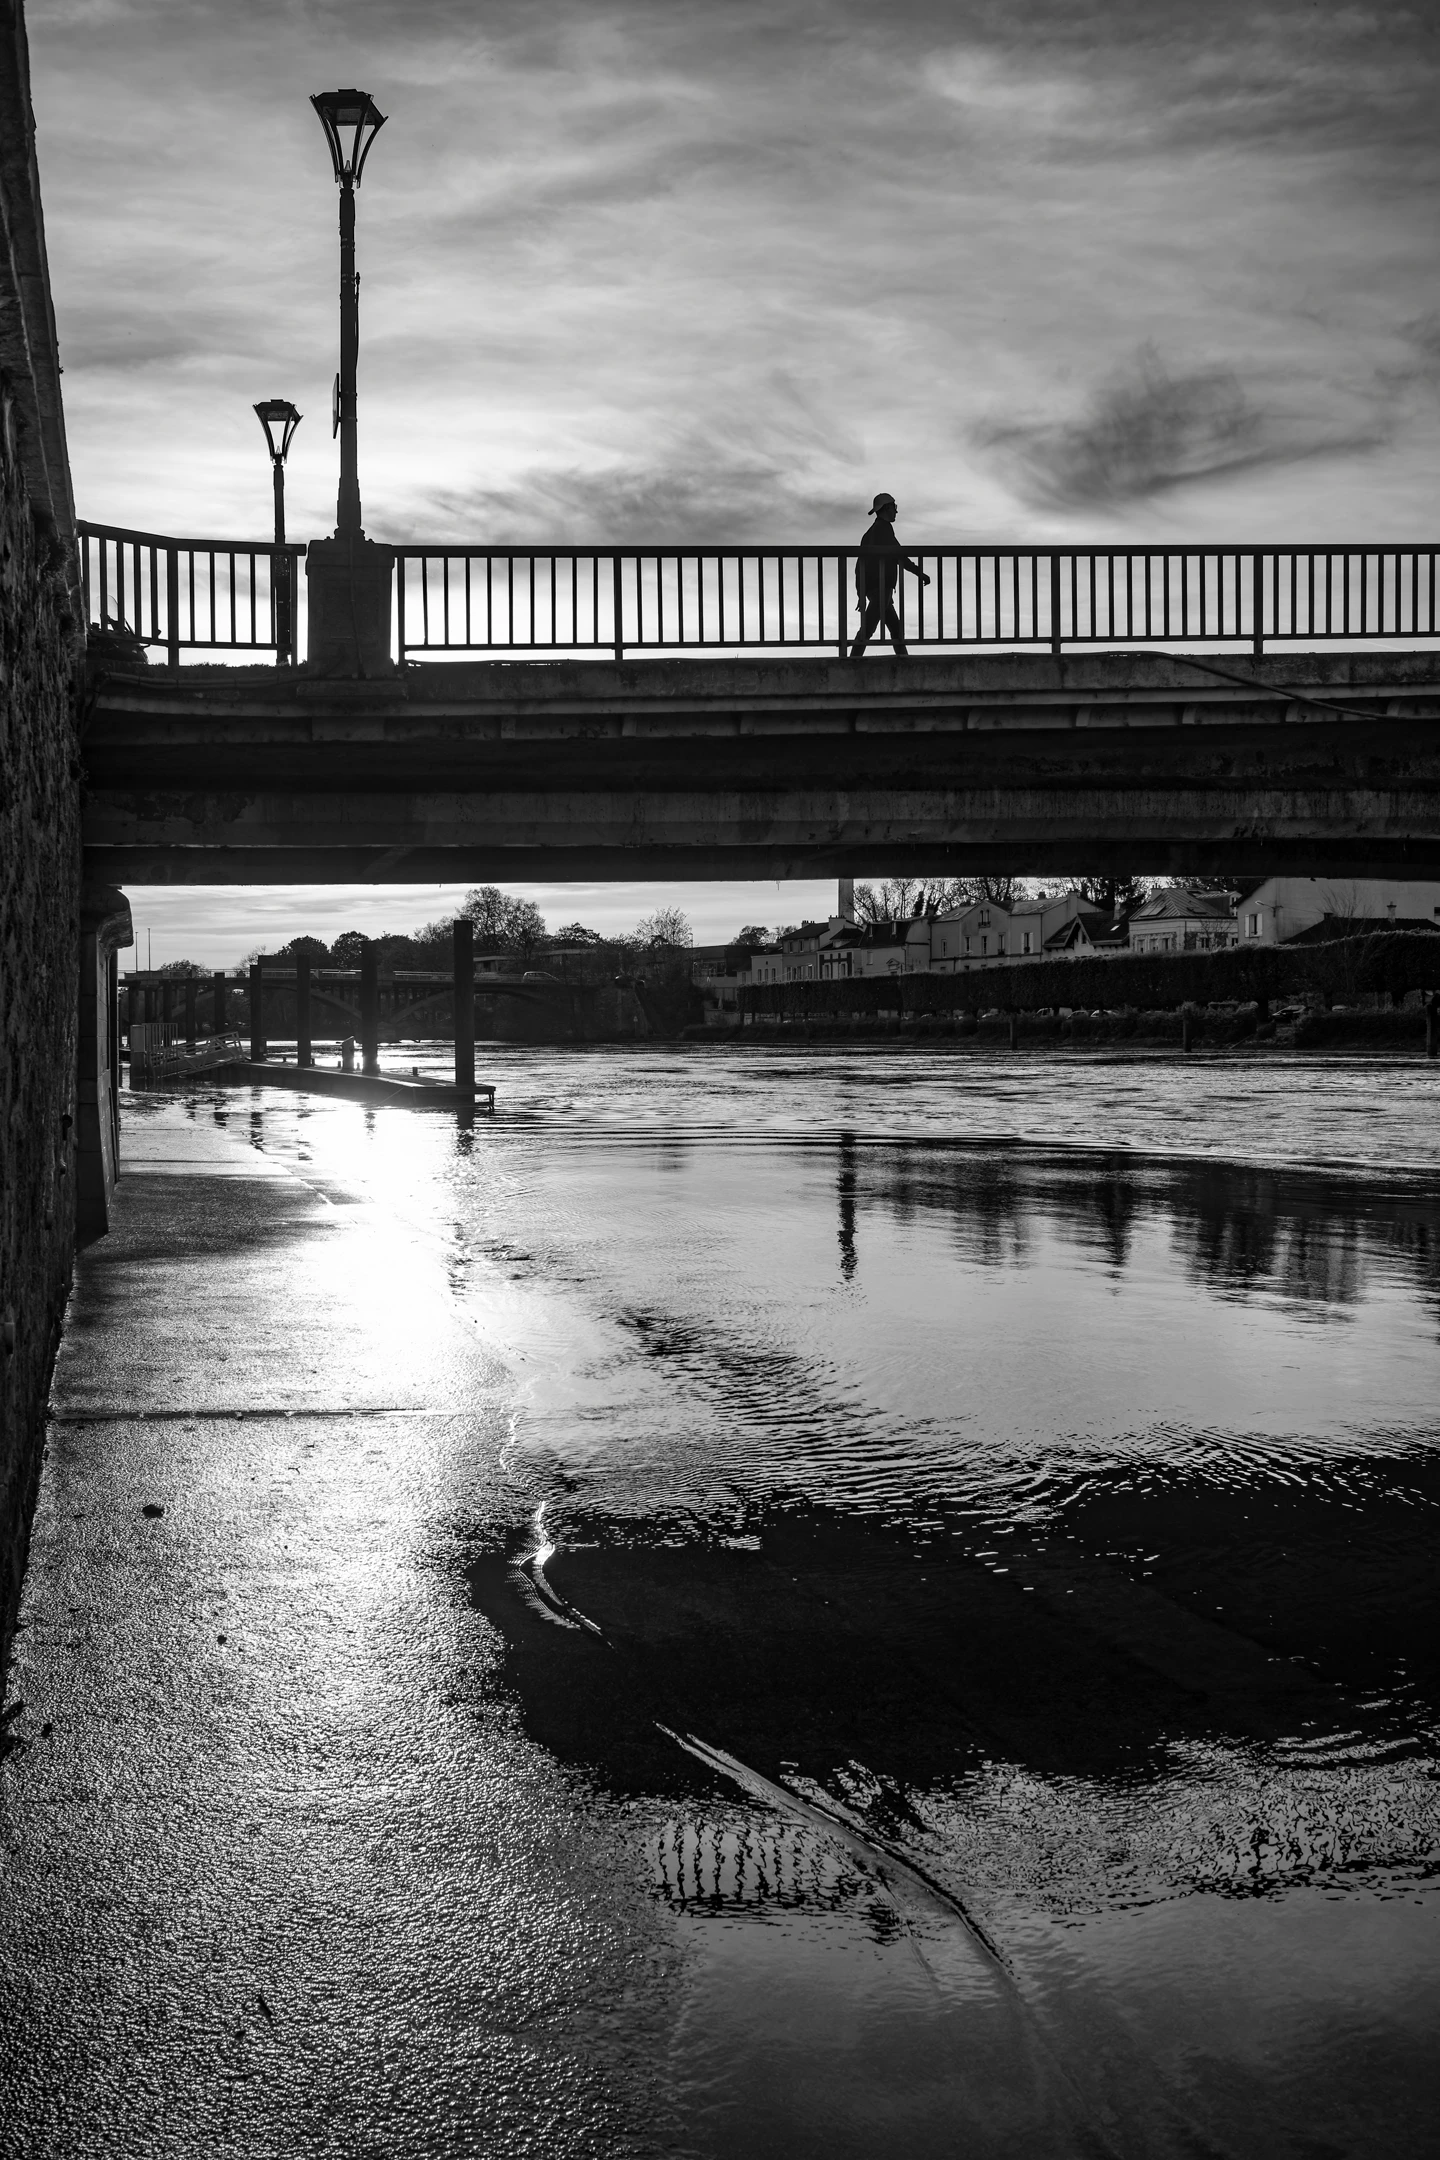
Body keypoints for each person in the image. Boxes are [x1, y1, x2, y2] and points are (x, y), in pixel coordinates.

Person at [849, 492, 930, 659]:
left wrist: (861, 593)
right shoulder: (884, 529)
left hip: (875, 589)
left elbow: (859, 566)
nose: (896, 511)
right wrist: (919, 573)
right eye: (894, 507)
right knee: (868, 629)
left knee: (895, 628)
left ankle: (905, 664)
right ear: (887, 508)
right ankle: (850, 664)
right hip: (881, 588)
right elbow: (899, 555)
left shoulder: (869, 533)